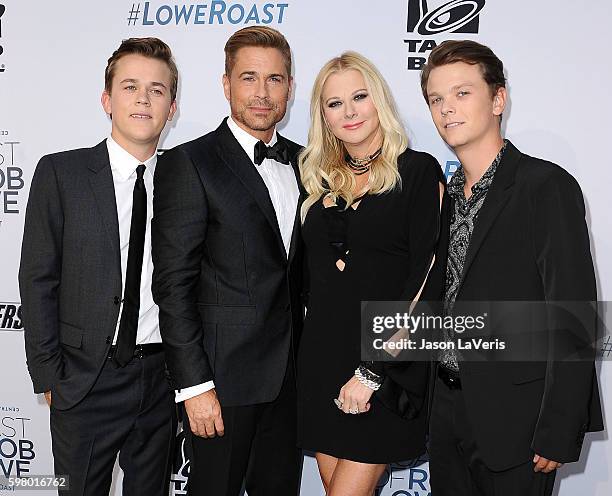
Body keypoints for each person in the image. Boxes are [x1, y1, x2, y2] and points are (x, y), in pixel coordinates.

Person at [420, 40, 604, 495]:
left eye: (462, 94)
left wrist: (559, 428)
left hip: (520, 421)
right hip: (445, 413)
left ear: (498, 99)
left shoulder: (546, 186)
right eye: (436, 99)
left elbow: (573, 315)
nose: (447, 110)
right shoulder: (442, 197)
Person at [19, 37, 178, 495]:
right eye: (130, 87)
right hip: (85, 377)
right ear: (108, 100)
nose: (144, 98)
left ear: (172, 108)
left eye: (157, 89)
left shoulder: (185, 180)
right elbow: (37, 278)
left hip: (161, 375)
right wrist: (49, 374)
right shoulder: (61, 174)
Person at [151, 26, 303, 495]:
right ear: (226, 84)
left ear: (290, 89)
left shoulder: (308, 161)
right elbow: (173, 286)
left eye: (275, 79)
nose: (262, 93)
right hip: (223, 384)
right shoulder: (189, 163)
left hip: (293, 381)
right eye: (249, 78)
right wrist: (194, 387)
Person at [297, 51, 444, 496]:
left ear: (379, 100)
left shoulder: (418, 172)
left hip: (385, 364)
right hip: (320, 362)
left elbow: (426, 276)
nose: (350, 111)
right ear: (323, 116)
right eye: (335, 102)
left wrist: (373, 371)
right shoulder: (316, 180)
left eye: (360, 96)